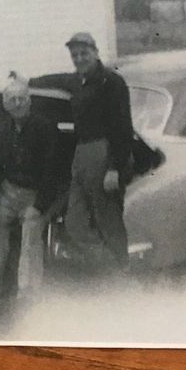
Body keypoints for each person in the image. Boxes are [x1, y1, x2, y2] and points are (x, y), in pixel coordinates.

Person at [0, 73, 59, 299]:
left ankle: (28, 290)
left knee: (31, 226)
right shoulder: (3, 131)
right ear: (6, 105)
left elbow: (52, 171)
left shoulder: (45, 128)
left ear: (29, 101)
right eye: (12, 100)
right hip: (10, 192)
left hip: (37, 193)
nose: (18, 103)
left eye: (22, 98)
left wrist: (39, 206)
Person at [63, 32, 134, 270]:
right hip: (80, 155)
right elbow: (55, 79)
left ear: (95, 52)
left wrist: (114, 167)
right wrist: (26, 80)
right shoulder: (76, 81)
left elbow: (123, 128)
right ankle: (109, 269)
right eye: (74, 55)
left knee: (108, 219)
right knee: (74, 223)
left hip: (104, 153)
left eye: (84, 53)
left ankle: (121, 272)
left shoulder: (112, 82)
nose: (79, 59)